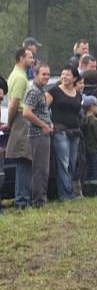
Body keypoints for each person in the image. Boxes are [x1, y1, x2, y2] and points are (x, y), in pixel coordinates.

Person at [48, 65, 83, 200]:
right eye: (63, 74)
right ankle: (65, 195)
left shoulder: (77, 94)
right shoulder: (54, 91)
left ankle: (69, 191)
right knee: (63, 163)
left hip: (74, 132)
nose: (64, 77)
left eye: (67, 74)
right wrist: (49, 123)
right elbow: (44, 108)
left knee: (72, 162)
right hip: (60, 131)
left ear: (74, 78)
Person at [6, 47, 35, 207]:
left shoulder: (18, 75)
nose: (33, 60)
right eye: (30, 57)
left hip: (20, 119)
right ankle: (22, 200)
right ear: (21, 58)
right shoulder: (20, 78)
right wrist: (10, 123)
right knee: (24, 159)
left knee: (23, 160)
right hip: (22, 120)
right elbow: (13, 104)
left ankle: (22, 197)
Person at [22, 64, 53, 207]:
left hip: (44, 134)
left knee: (44, 169)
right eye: (43, 74)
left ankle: (41, 199)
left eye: (48, 74)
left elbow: (42, 111)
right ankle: (38, 202)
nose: (46, 77)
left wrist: (49, 123)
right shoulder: (33, 91)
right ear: (35, 75)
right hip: (37, 135)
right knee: (40, 170)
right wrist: (43, 125)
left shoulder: (41, 90)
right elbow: (26, 113)